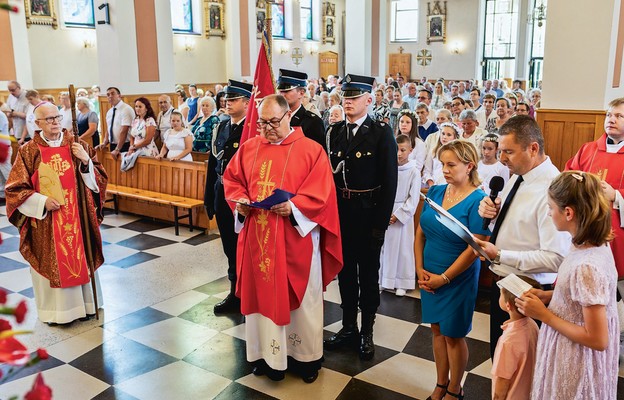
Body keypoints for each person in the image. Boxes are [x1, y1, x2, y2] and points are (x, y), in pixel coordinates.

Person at [223, 94, 342, 383]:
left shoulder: (311, 151)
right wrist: (239, 201)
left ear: (289, 116)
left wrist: (294, 207)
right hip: (258, 239)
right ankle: (267, 356)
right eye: (262, 123)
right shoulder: (250, 147)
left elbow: (322, 194)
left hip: (295, 241)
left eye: (273, 122)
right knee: (261, 300)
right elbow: (233, 180)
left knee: (302, 301)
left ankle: (305, 359)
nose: (266, 129)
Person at [517, 171, 618, 399]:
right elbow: (583, 298)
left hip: (576, 357)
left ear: (568, 212)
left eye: (551, 207)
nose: (549, 212)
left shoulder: (586, 267)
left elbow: (598, 339)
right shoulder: (590, 244)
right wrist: (552, 296)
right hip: (569, 344)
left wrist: (544, 315)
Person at [475, 115, 571, 358]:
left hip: (530, 291)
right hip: (506, 283)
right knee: (502, 360)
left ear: (533, 148)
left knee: (524, 370)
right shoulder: (518, 175)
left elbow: (556, 258)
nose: (502, 158)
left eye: (508, 151)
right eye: (500, 150)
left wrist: (501, 255)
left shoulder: (552, 189)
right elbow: (517, 224)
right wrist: (493, 213)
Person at [5, 102, 107, 324]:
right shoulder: (29, 151)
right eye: (49, 119)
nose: (55, 123)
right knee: (54, 261)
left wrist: (85, 161)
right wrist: (41, 201)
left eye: (57, 117)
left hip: (77, 216)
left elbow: (99, 177)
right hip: (47, 221)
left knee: (81, 258)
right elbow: (15, 190)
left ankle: (87, 305)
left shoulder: (77, 145)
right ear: (37, 122)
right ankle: (58, 314)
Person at [324, 74, 398, 360]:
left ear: (369, 100)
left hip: (368, 214)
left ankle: (367, 330)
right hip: (341, 214)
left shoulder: (380, 133)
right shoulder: (334, 132)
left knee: (367, 275)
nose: (348, 101)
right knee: (345, 274)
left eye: (354, 97)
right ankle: (348, 327)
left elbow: (390, 183)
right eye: (345, 96)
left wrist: (380, 225)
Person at [416, 140, 490, 400]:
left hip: (458, 276)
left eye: (451, 165)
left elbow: (476, 248)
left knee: (453, 334)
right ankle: (440, 383)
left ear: (469, 166)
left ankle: (455, 388)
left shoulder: (479, 201)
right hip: (429, 271)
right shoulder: (436, 192)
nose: (445, 170)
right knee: (436, 330)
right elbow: (420, 233)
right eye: (442, 164)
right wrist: (419, 269)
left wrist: (445, 278)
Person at [204, 80, 252, 314]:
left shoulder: (251, 130)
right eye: (227, 99)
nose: (227, 103)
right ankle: (234, 292)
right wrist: (208, 197)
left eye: (233, 100)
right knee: (228, 246)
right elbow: (213, 163)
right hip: (222, 192)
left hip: (241, 197)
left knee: (243, 246)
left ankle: (247, 293)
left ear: (247, 102)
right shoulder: (221, 126)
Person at [565, 97, 624, 279]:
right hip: (583, 227)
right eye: (609, 115)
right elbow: (568, 177)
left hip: (616, 232)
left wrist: (615, 194)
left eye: (619, 116)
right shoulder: (588, 149)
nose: (611, 120)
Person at [379, 134, 421, 296]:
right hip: (386, 211)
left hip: (403, 214)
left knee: (403, 249)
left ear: (410, 150)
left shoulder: (413, 171)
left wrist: (399, 214)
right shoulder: (388, 168)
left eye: (403, 150)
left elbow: (414, 197)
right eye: (396, 149)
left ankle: (402, 282)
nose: (399, 153)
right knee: (385, 248)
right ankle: (384, 279)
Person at [491, 275, 540, 400]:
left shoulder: (508, 341)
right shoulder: (532, 324)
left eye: (501, 294)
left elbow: (502, 379)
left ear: (508, 305)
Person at [277, 69, 325, 147]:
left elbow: (318, 154)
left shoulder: (313, 122)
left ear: (301, 93)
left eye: (286, 91)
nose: (281, 95)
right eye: (280, 91)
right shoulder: (275, 119)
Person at [96, 87, 134, 158]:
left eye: (113, 93)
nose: (110, 96)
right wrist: (104, 142)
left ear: (119, 96)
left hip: (125, 145)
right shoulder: (110, 111)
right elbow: (109, 128)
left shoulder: (126, 109)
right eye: (108, 95)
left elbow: (124, 131)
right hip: (112, 144)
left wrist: (117, 148)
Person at [423, 122, 461, 187]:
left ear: (455, 137)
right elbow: (427, 170)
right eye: (443, 134)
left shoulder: (459, 154)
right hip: (435, 185)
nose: (444, 137)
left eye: (449, 135)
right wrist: (431, 183)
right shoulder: (434, 151)